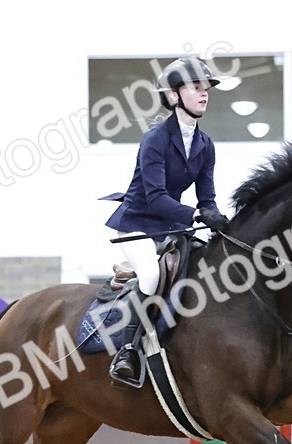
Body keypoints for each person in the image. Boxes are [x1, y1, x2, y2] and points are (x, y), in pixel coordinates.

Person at [101, 56, 230, 387]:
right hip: (136, 223)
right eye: (196, 88)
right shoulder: (155, 140)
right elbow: (156, 198)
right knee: (153, 274)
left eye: (207, 89)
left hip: (171, 225)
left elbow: (206, 197)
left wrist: (214, 215)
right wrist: (197, 215)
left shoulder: (205, 145)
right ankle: (127, 351)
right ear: (174, 96)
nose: (205, 94)